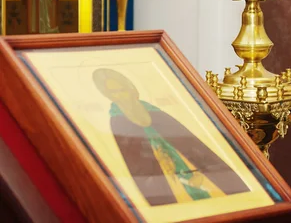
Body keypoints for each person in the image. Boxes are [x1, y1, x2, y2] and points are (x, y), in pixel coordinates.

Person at [92, 68, 249, 206]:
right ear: (108, 95)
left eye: (122, 89)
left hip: (187, 166)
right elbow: (134, 161)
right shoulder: (117, 121)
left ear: (129, 87)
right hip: (160, 176)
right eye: (114, 93)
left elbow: (190, 144)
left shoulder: (154, 112)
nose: (121, 95)